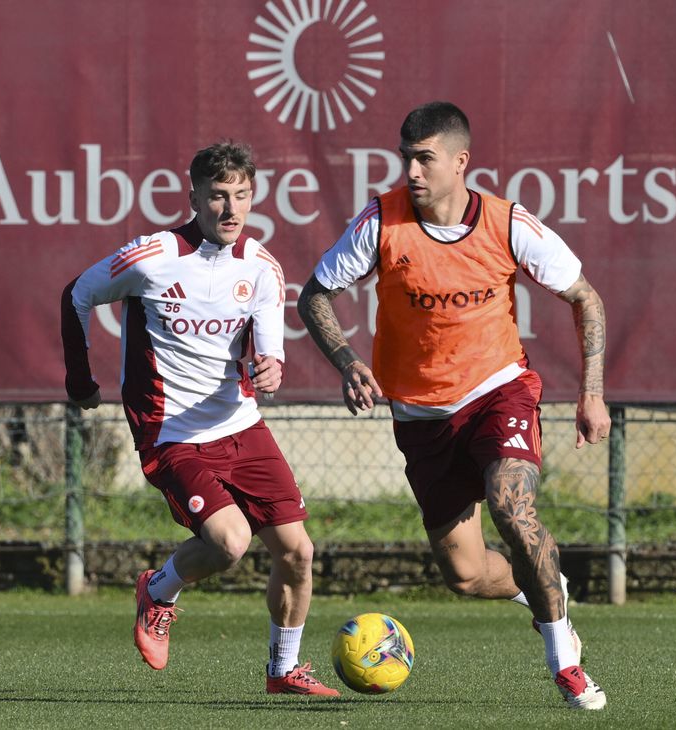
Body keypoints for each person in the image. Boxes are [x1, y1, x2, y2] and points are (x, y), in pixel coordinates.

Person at [298, 101, 609, 710]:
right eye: (405, 158)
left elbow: (585, 297)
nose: (411, 172)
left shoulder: (507, 222)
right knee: (465, 575)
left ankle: (564, 662)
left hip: (498, 391)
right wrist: (347, 360)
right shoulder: (380, 224)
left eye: (424, 159)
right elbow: (315, 296)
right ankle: (542, 586)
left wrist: (591, 392)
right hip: (420, 416)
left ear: (460, 162)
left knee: (512, 510)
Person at [61, 142, 338, 696]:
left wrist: (270, 371)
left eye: (241, 196)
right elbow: (78, 294)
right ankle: (159, 591)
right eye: (218, 195)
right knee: (231, 542)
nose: (231, 209)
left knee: (299, 552)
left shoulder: (261, 269)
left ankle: (283, 671)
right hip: (172, 434)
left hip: (239, 425)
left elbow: (269, 352)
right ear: (194, 197)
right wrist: (81, 381)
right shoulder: (152, 256)